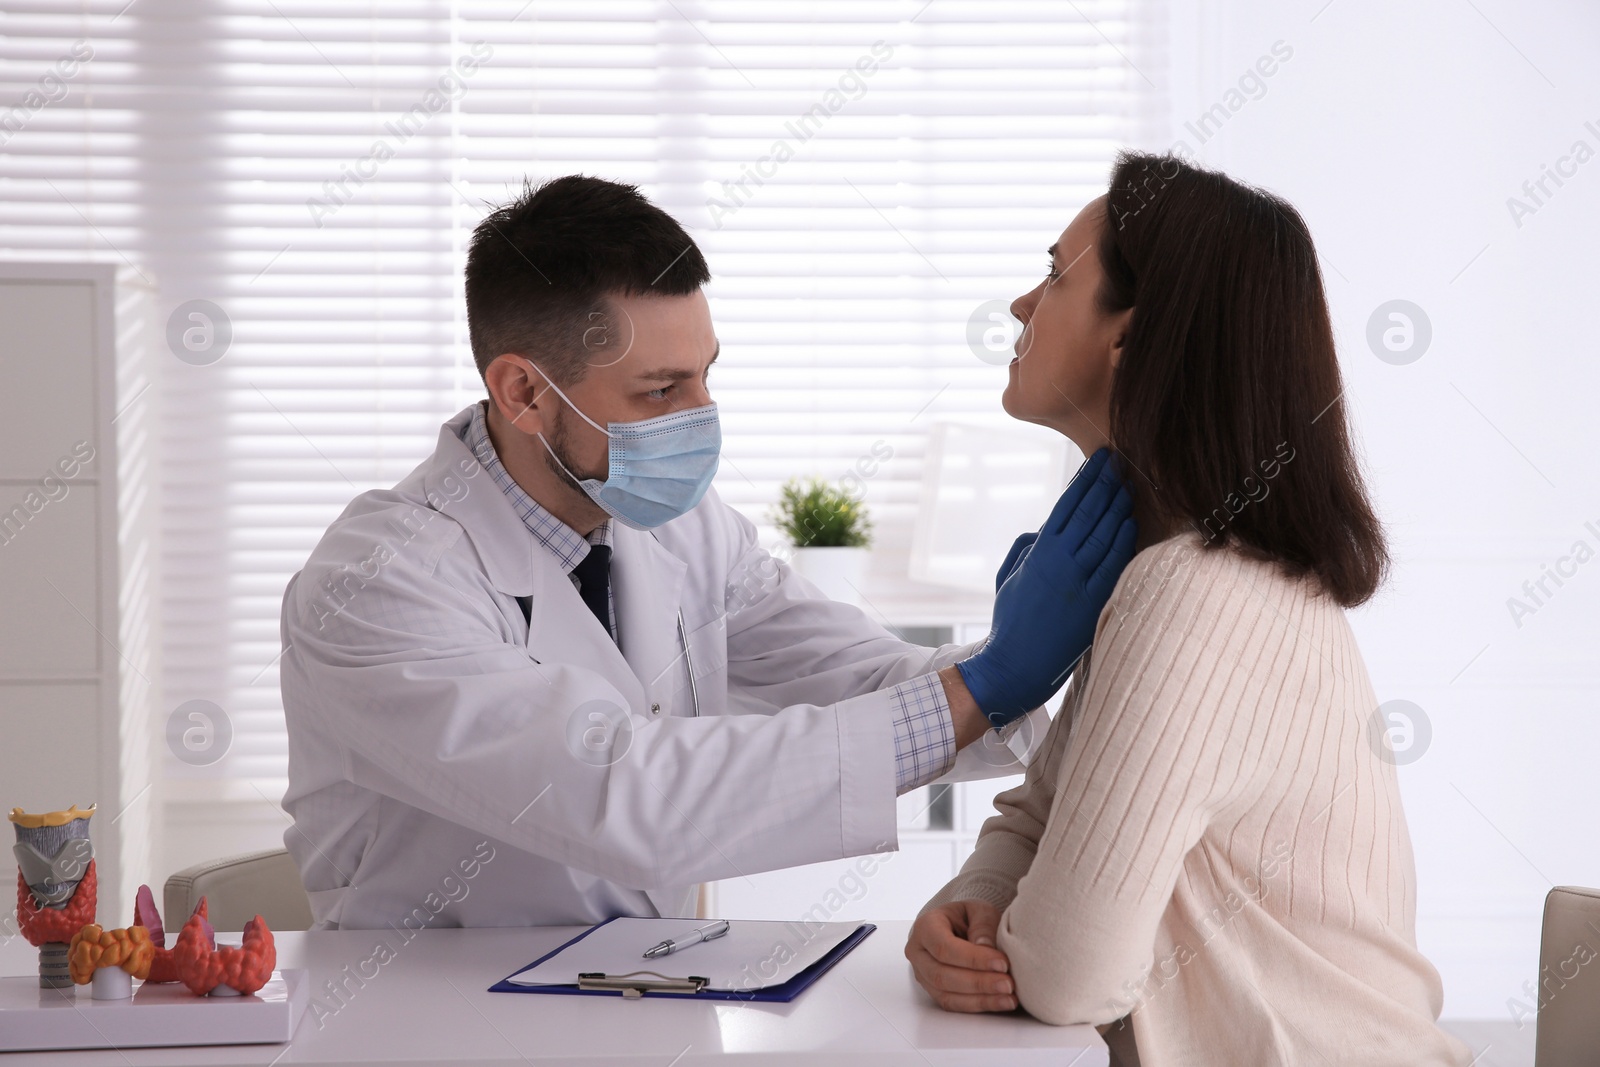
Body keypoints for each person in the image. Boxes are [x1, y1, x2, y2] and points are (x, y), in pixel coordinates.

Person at [277, 175, 1139, 930]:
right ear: (523, 391)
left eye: (705, 375)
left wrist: (1012, 668)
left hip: (643, 998)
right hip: (431, 1024)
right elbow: (627, 795)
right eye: (660, 390)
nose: (701, 419)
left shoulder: (681, 529)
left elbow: (852, 675)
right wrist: (986, 686)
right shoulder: (377, 583)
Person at [904, 152, 1471, 1066]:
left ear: (1130, 337)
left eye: (1054, 275)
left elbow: (1068, 976)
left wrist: (994, 940)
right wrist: (963, 905)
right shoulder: (1170, 570)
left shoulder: (1196, 593)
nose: (1020, 306)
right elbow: (1034, 814)